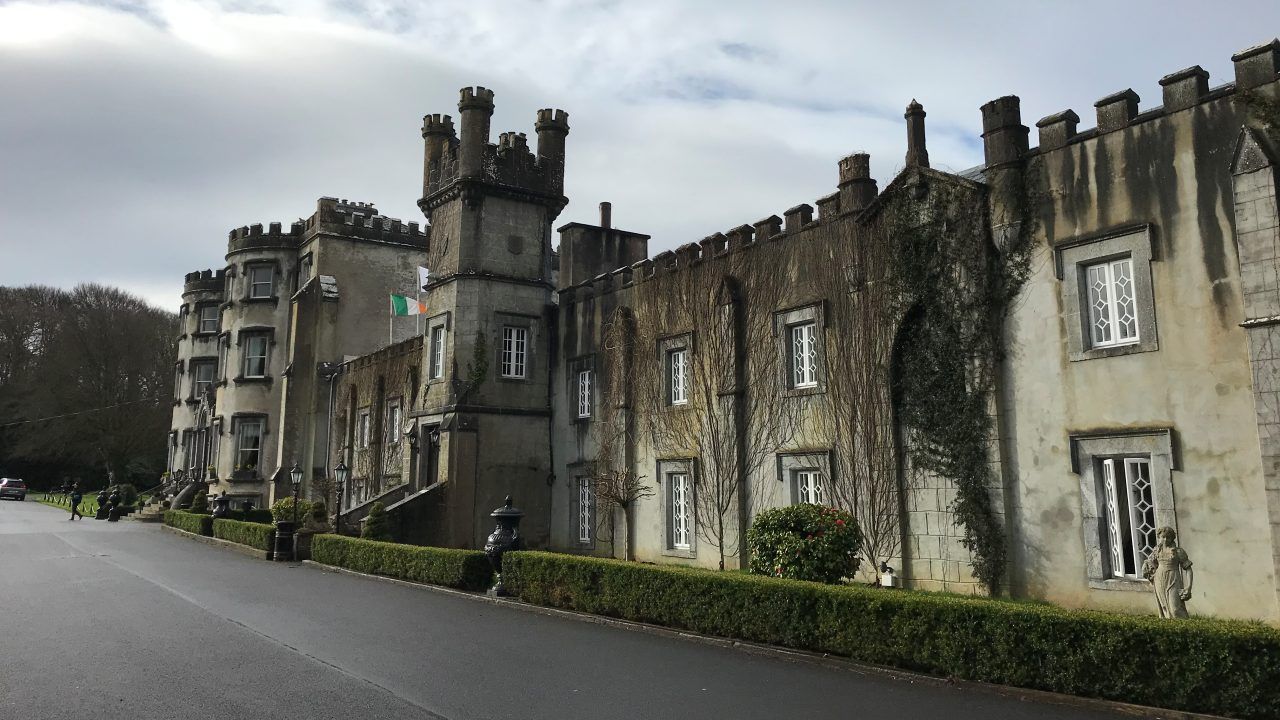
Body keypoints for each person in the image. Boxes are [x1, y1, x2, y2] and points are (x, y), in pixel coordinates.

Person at [1142, 526, 1194, 619]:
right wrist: (1147, 569)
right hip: (1159, 579)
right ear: (1159, 537)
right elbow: (1150, 563)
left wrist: (1189, 587)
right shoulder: (1157, 550)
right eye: (1163, 537)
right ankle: (1170, 627)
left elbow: (1188, 569)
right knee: (1164, 607)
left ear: (1172, 538)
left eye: (1168, 537)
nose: (1165, 539)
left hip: (1173, 579)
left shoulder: (1178, 551)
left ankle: (1185, 627)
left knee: (1175, 609)